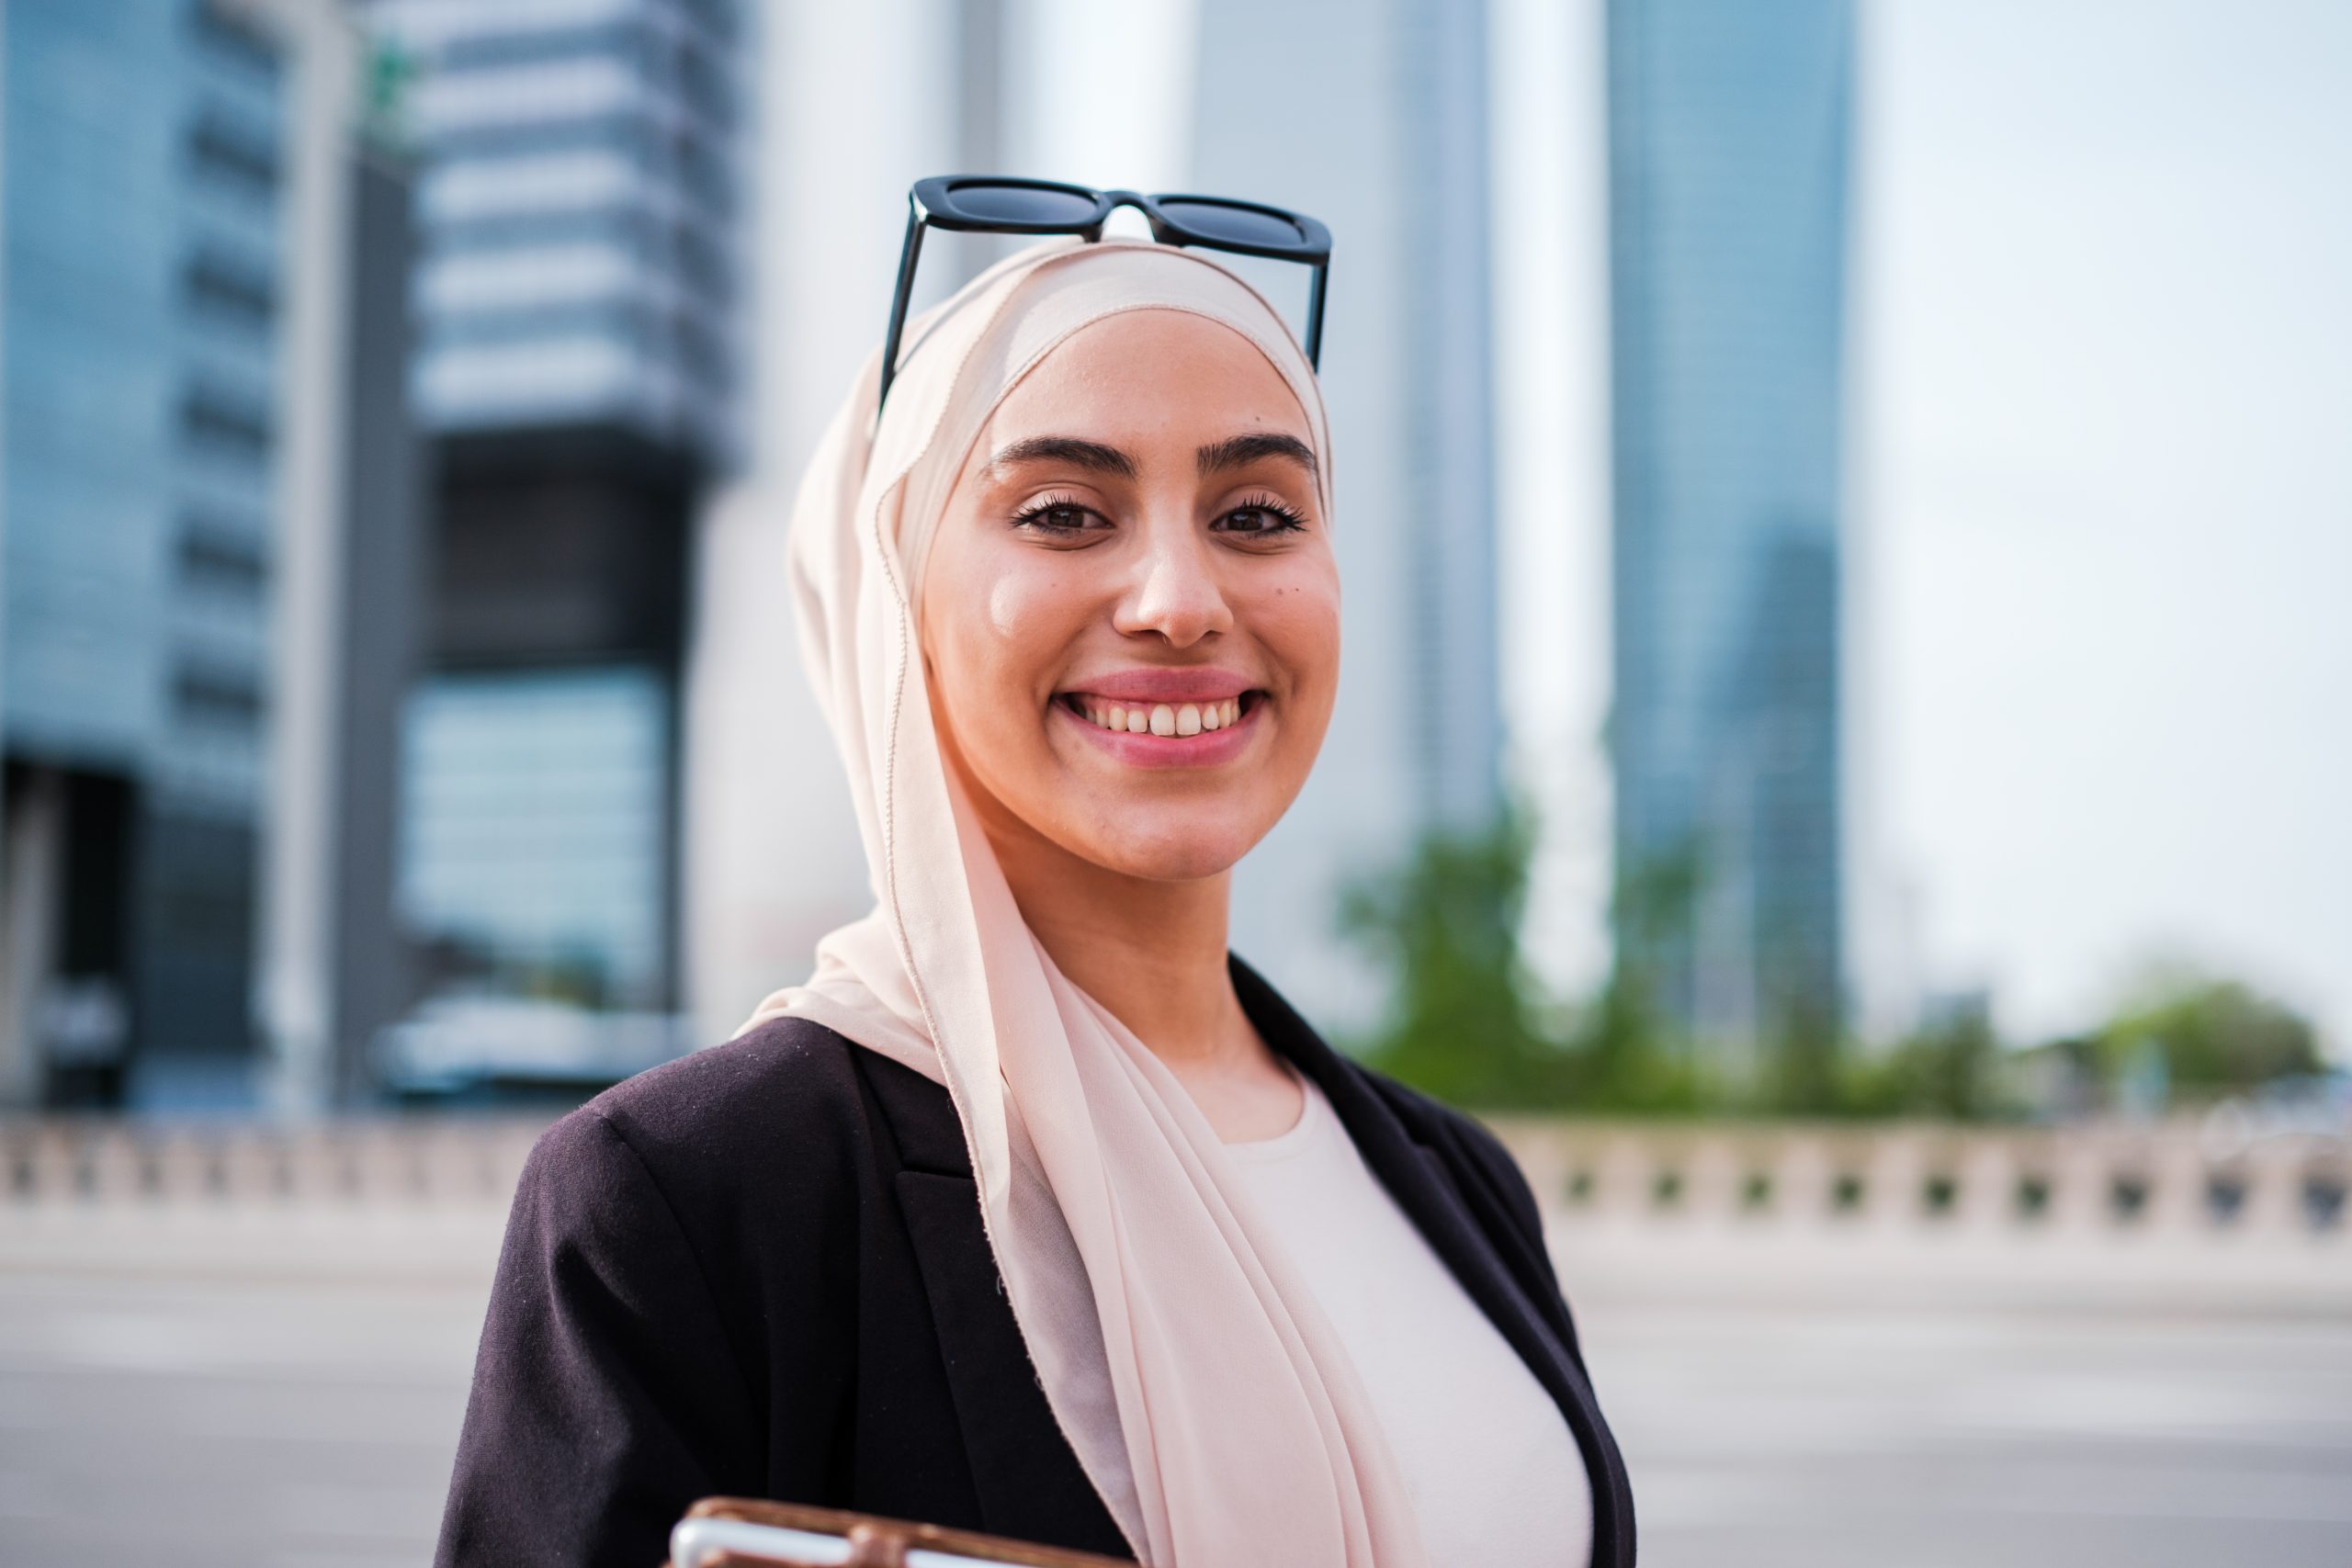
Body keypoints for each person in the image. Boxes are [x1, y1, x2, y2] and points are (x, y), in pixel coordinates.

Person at [435, 200, 1634, 1568]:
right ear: (895, 599)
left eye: (1258, 512)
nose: (1179, 600)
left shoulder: (1455, 1179)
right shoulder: (696, 1198)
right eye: (1064, 513)